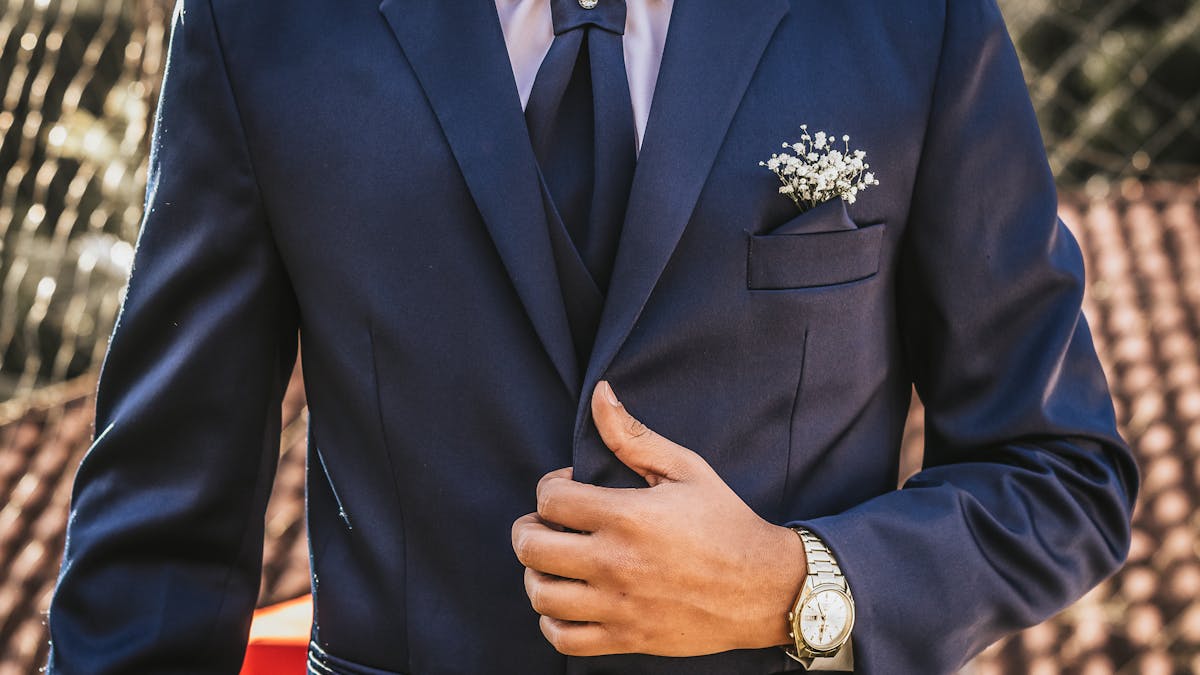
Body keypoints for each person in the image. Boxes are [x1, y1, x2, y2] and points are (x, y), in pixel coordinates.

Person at [46, 0, 1138, 672]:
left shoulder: (914, 16)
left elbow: (1060, 472)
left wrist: (795, 583)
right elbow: (160, 535)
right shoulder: (259, 22)